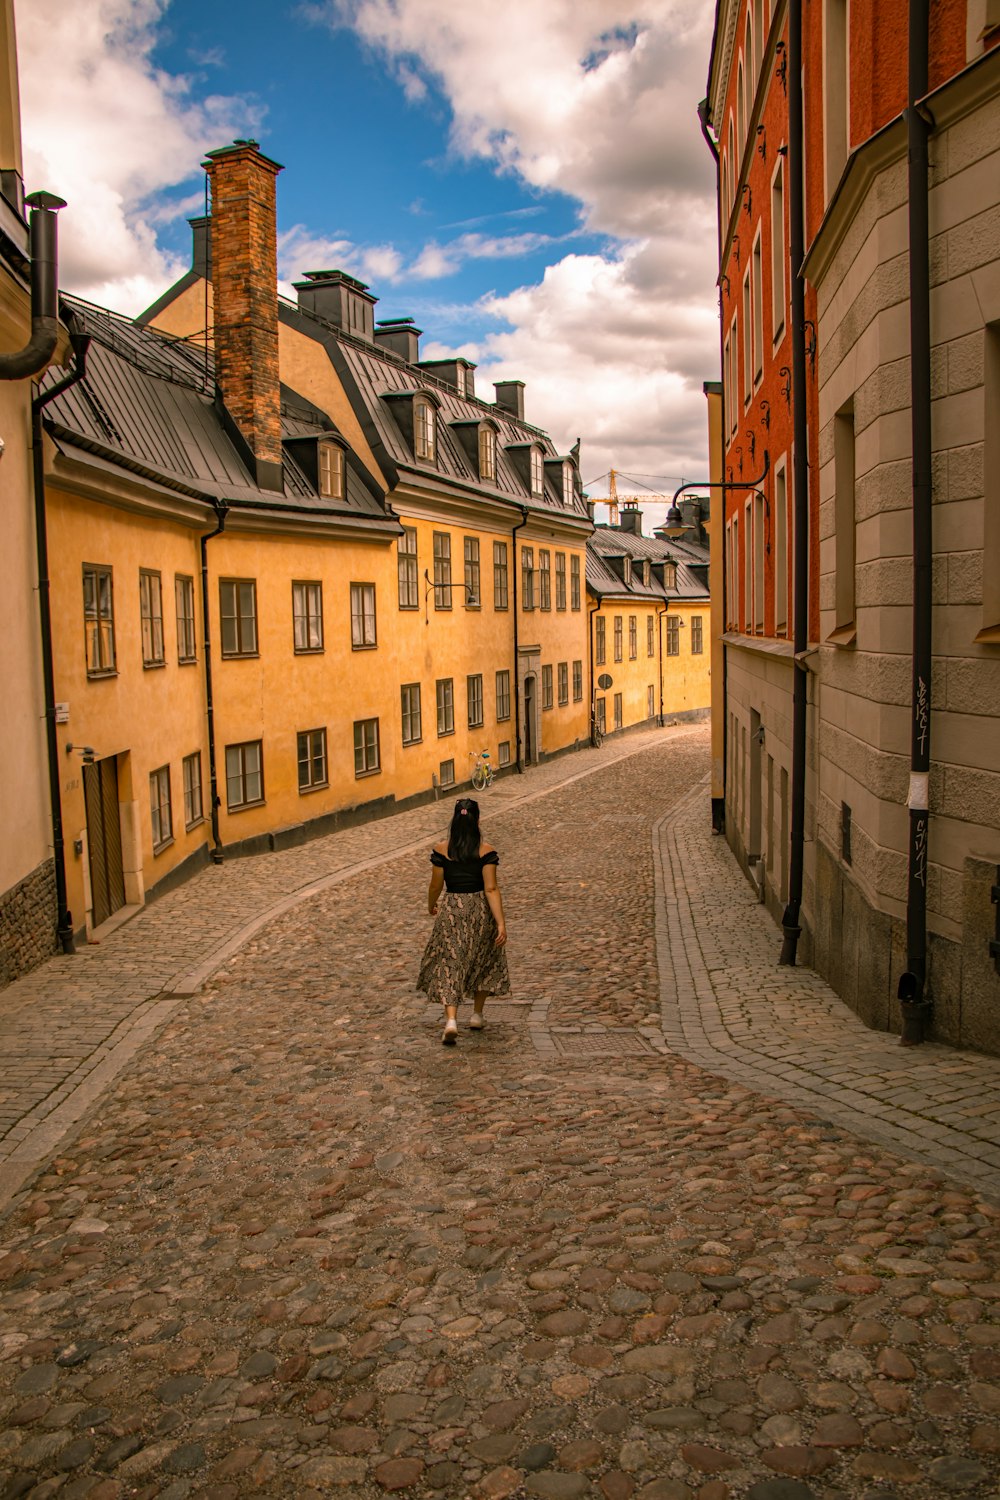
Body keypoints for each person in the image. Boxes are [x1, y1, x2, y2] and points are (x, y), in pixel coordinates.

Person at [417, 797, 510, 1044]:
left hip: (452, 908)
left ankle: (450, 1020)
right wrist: (500, 922)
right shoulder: (486, 851)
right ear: (477, 820)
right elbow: (491, 888)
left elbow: (436, 884)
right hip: (480, 909)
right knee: (484, 958)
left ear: (455, 820)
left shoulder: (441, 850)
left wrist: (431, 904)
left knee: (451, 960)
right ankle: (477, 1015)